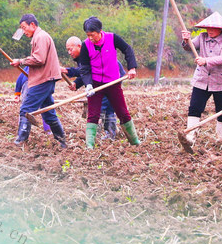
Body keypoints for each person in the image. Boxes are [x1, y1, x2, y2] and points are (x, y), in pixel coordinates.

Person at [76, 16, 140, 148]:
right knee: (93, 114)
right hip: (96, 84)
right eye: (88, 35)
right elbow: (84, 68)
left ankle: (135, 142)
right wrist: (88, 84)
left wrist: (132, 68)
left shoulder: (112, 38)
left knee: (122, 112)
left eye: (92, 35)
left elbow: (127, 49)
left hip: (113, 82)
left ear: (100, 31)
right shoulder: (85, 45)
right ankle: (89, 146)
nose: (90, 38)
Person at [9, 14, 67, 148]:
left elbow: (39, 59)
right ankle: (62, 141)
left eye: (25, 28)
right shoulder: (39, 37)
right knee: (48, 112)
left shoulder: (40, 37)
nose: (24, 31)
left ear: (33, 25)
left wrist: (21, 61)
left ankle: (20, 141)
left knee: (26, 109)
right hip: (46, 79)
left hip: (43, 79)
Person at [180, 11, 222, 146]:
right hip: (202, 80)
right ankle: (190, 138)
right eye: (208, 28)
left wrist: (205, 61)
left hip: (221, 81)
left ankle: (221, 140)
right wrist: (186, 40)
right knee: (194, 108)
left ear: (220, 29)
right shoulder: (202, 37)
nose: (209, 31)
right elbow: (189, 47)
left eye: (213, 28)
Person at [62, 37, 119, 140]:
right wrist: (76, 83)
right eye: (68, 50)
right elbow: (85, 73)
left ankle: (96, 136)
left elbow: (90, 69)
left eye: (71, 49)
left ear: (79, 46)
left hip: (111, 75)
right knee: (108, 105)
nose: (69, 53)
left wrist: (68, 71)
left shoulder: (87, 52)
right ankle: (110, 135)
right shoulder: (80, 57)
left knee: (101, 105)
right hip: (105, 77)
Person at [13, 67, 54, 135]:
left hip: (42, 85)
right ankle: (23, 130)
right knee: (26, 109)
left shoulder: (46, 65)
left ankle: (48, 130)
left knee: (46, 108)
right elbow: (20, 79)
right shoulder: (28, 67)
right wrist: (17, 94)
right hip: (29, 85)